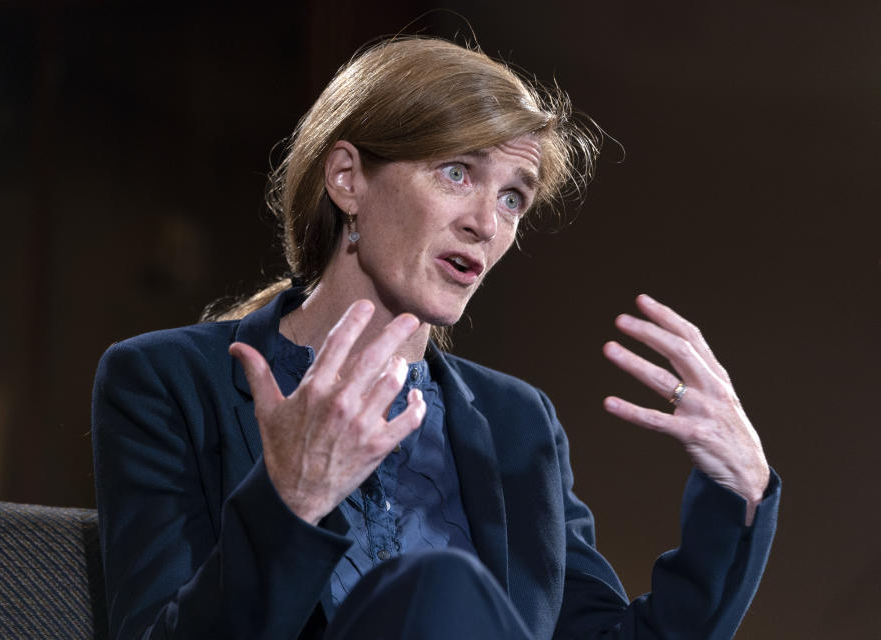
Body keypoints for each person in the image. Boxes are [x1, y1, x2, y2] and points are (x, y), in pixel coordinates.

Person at [91, 36, 780, 639]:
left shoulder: (518, 423)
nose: (488, 221)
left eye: (514, 195)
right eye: (458, 173)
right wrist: (292, 503)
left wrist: (738, 493)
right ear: (347, 178)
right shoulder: (167, 382)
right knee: (440, 587)